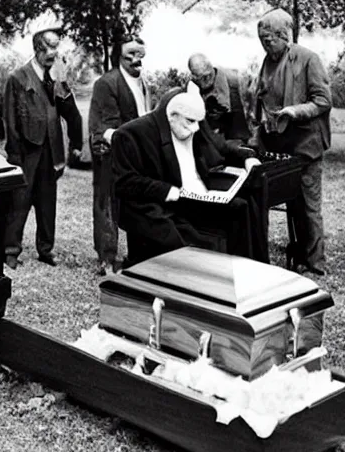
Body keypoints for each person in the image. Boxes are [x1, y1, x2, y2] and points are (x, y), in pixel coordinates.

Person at [112, 88, 265, 267]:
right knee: (184, 246)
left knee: (242, 208)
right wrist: (167, 191)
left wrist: (247, 157)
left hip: (193, 198)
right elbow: (124, 182)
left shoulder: (190, 121)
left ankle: (247, 269)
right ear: (172, 116)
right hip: (158, 206)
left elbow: (221, 146)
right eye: (190, 122)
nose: (196, 129)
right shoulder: (130, 134)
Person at [254, 9, 331, 276]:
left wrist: (295, 111)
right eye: (262, 39)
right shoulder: (267, 62)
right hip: (283, 146)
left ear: (283, 35)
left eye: (269, 39)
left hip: (307, 144)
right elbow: (263, 97)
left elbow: (323, 101)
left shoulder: (308, 59)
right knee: (294, 203)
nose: (265, 44)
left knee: (310, 206)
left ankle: (315, 264)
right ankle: (299, 253)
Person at [3, 26, 83, 269]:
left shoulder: (56, 77)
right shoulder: (17, 78)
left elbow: (71, 113)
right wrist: (14, 154)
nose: (54, 53)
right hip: (26, 151)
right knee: (20, 200)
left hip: (51, 148)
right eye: (50, 48)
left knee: (48, 202)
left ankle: (46, 249)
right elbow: (10, 119)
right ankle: (10, 251)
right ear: (37, 49)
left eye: (56, 47)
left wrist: (76, 143)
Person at [88, 34, 153, 275]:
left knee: (136, 204)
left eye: (140, 54)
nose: (137, 60)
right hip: (111, 154)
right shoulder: (107, 83)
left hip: (136, 154)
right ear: (120, 57)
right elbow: (105, 127)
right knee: (107, 205)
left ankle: (137, 256)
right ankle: (107, 260)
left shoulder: (142, 82)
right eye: (131, 55)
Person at [187, 53, 251, 147]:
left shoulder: (235, 80)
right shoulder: (193, 89)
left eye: (208, 75)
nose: (206, 80)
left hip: (240, 138)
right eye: (200, 78)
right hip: (213, 144)